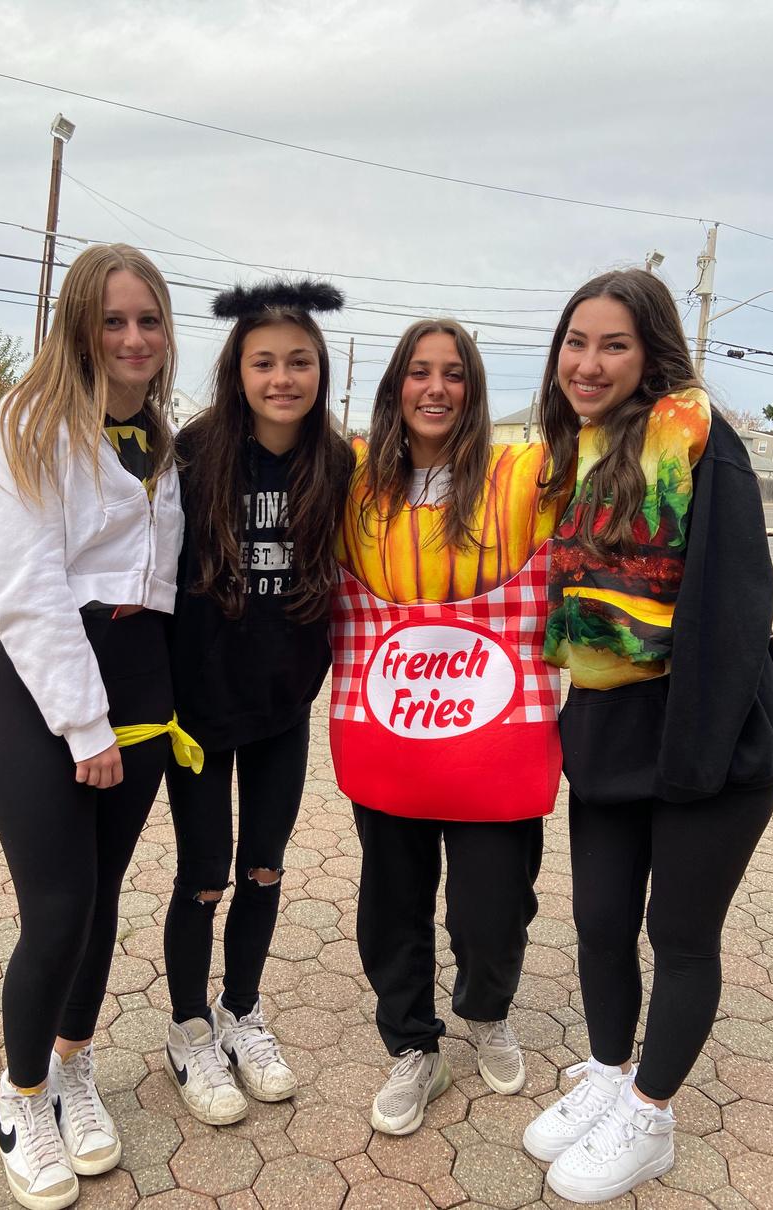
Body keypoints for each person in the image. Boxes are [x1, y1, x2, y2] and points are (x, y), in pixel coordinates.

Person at [522, 268, 773, 1203]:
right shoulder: (578, 449)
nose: (589, 364)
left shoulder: (697, 438)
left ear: (652, 353)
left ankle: (651, 1112)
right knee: (599, 920)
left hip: (705, 729)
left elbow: (736, 604)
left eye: (615, 345)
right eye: (576, 342)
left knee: (678, 934)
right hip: (608, 724)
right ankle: (607, 1072)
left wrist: (694, 757)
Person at [0, 244, 197, 1210]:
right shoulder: (27, 424)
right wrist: (86, 726)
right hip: (52, 697)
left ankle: (73, 1064)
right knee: (58, 910)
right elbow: (29, 591)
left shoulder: (159, 437)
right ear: (78, 325)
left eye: (149, 320)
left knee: (103, 898)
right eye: (113, 320)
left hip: (143, 684)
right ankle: (22, 1097)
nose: (134, 338)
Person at [330, 318, 565, 1135]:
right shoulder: (353, 481)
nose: (436, 388)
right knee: (391, 901)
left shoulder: (521, 474)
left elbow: (608, 449)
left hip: (497, 739)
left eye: (455, 373)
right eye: (420, 371)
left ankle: (486, 1010)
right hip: (390, 730)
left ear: (475, 388)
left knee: (493, 907)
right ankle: (412, 1045)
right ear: (395, 384)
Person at [161, 280, 354, 1125]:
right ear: (236, 371)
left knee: (264, 869)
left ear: (321, 370)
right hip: (197, 715)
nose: (282, 378)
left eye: (299, 362)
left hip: (283, 709)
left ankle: (241, 1010)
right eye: (264, 362)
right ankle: (189, 1029)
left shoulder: (339, 464)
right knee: (204, 876)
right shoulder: (193, 452)